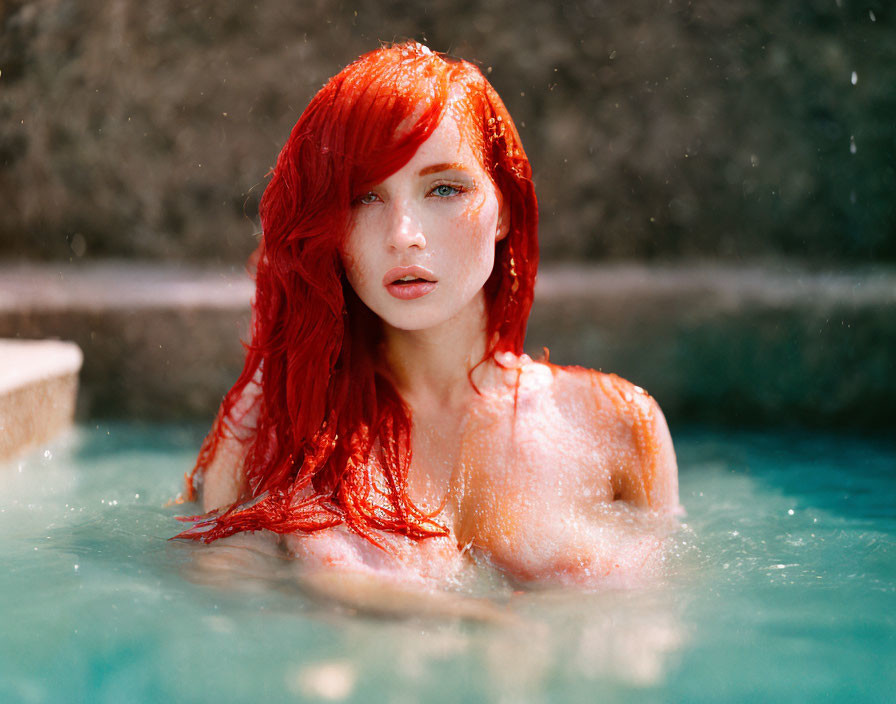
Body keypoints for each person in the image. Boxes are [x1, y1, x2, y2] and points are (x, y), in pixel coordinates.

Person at [175, 41, 679, 594]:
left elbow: (659, 630)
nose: (403, 235)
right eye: (365, 197)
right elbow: (217, 615)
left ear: (504, 209)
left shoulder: (620, 425)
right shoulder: (275, 423)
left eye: (444, 188)